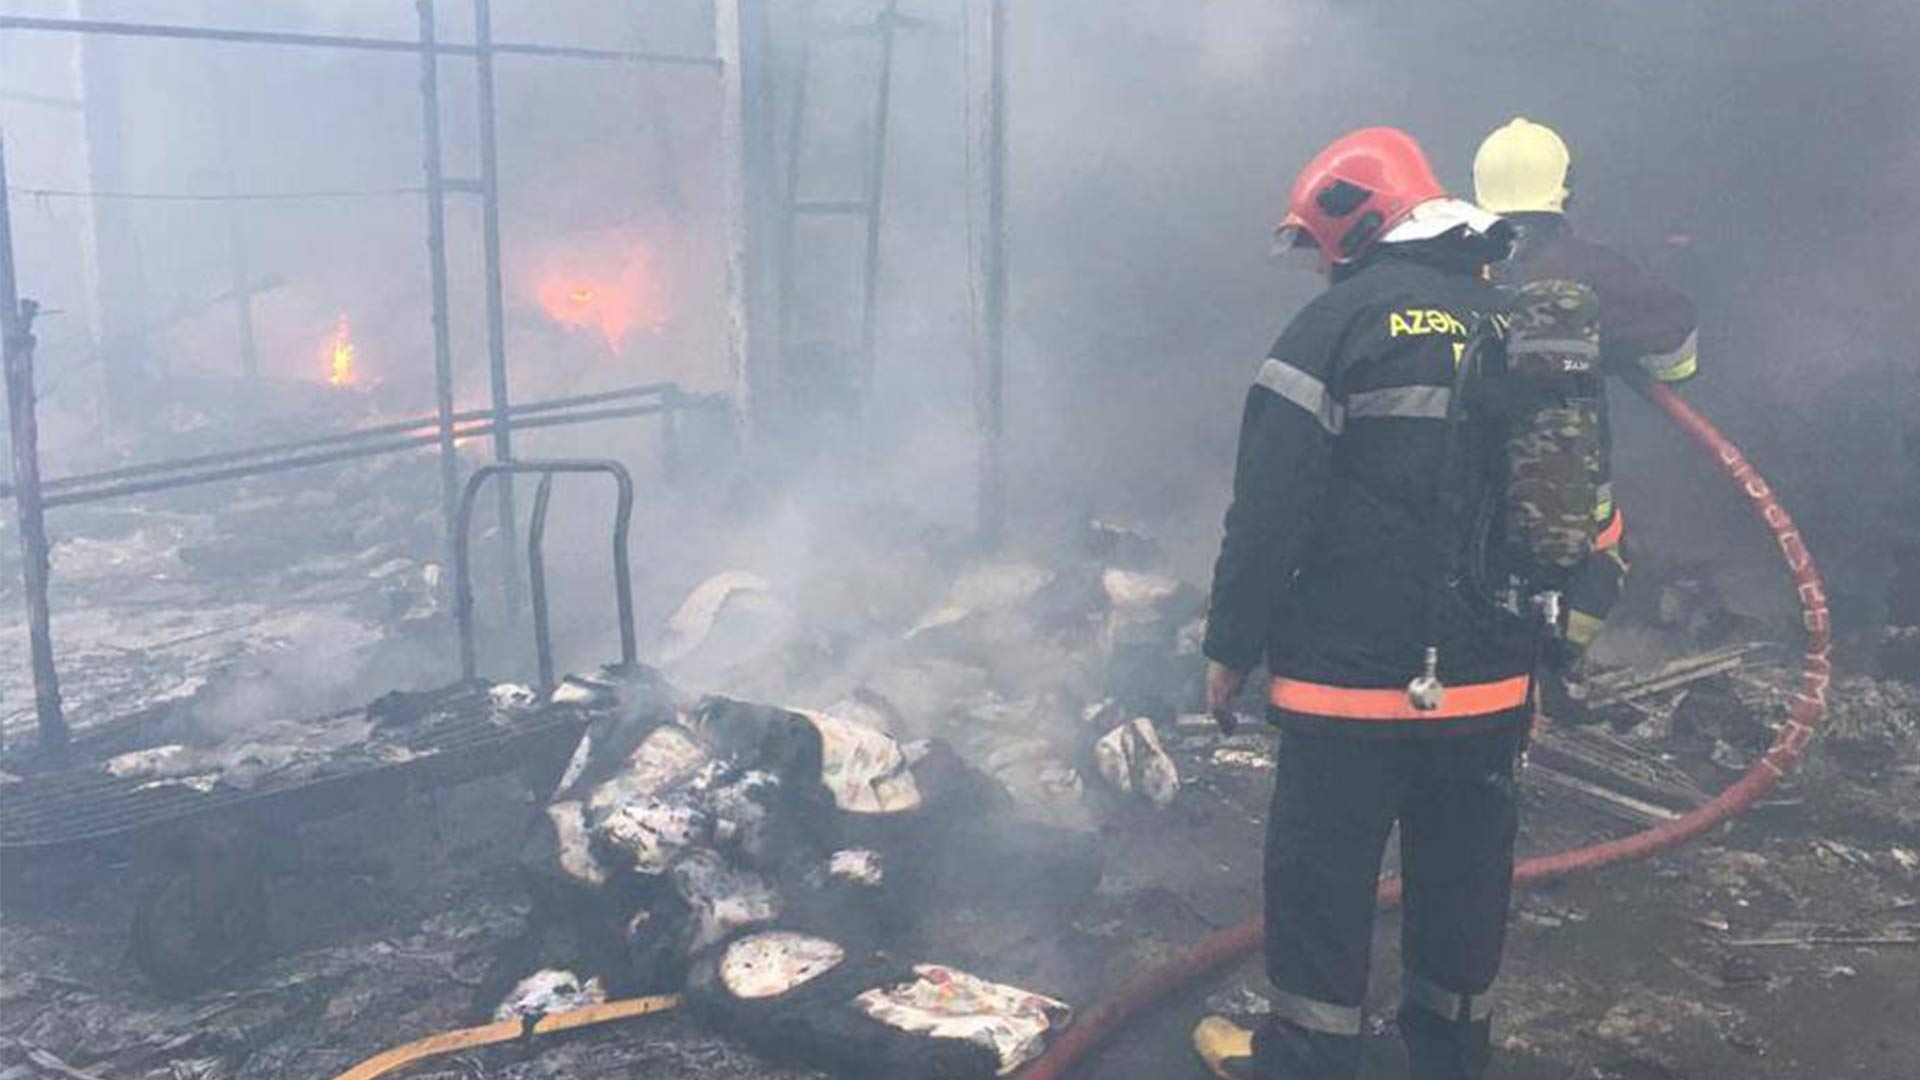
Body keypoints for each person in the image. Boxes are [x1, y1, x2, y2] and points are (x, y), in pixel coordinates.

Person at [1192, 127, 1531, 1080]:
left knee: (1322, 880)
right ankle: (1449, 1053)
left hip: (1351, 688)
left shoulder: (1335, 329)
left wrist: (1230, 647)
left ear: (1353, 225)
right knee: (1465, 881)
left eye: (1317, 244)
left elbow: (1269, 513)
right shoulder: (1516, 326)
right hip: (1491, 683)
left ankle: (1311, 1057)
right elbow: (1570, 506)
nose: (1316, 264)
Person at [1473, 117, 1701, 715]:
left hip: (1462, 480)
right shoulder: (1588, 268)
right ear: (1564, 189)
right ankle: (1546, 672)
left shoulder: (1455, 262)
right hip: (1564, 486)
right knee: (1602, 562)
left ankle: (1494, 676)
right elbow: (1676, 348)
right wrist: (1608, 343)